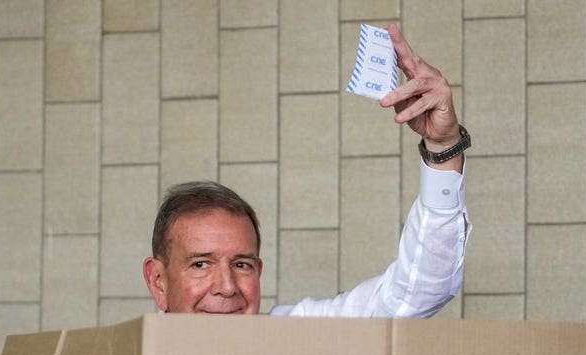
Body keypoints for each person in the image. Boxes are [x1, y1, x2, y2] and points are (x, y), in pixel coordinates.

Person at [143, 23, 471, 317]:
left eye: (242, 264)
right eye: (201, 264)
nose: (227, 287)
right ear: (158, 281)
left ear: (259, 271)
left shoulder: (294, 336)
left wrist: (443, 147)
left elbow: (415, 294)